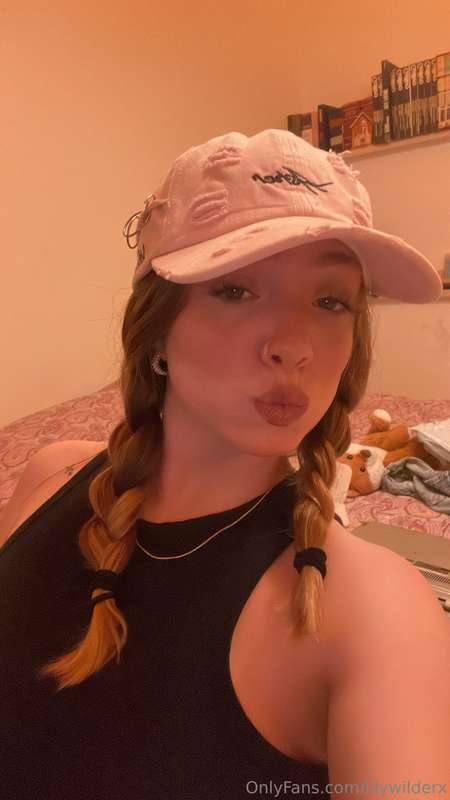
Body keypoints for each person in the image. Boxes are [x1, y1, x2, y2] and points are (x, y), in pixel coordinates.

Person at [0, 129, 448, 800]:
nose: (294, 346)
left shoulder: (375, 609)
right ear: (156, 327)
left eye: (331, 301)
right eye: (236, 290)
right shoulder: (52, 476)